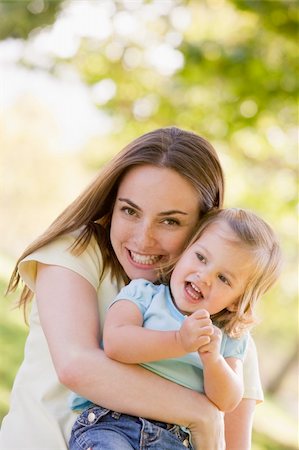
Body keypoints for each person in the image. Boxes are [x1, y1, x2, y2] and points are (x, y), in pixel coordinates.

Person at [0, 127, 262, 450]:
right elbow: (77, 366)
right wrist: (200, 414)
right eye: (130, 210)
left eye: (170, 221)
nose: (142, 238)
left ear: (203, 227)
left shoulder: (227, 328)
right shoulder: (78, 251)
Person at [69, 208, 281, 450]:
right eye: (201, 257)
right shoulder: (144, 294)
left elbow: (228, 400)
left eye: (223, 278)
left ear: (236, 301)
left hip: (175, 440)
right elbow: (116, 343)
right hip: (114, 422)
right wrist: (179, 341)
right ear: (184, 252)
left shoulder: (227, 338)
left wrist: (213, 361)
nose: (205, 276)